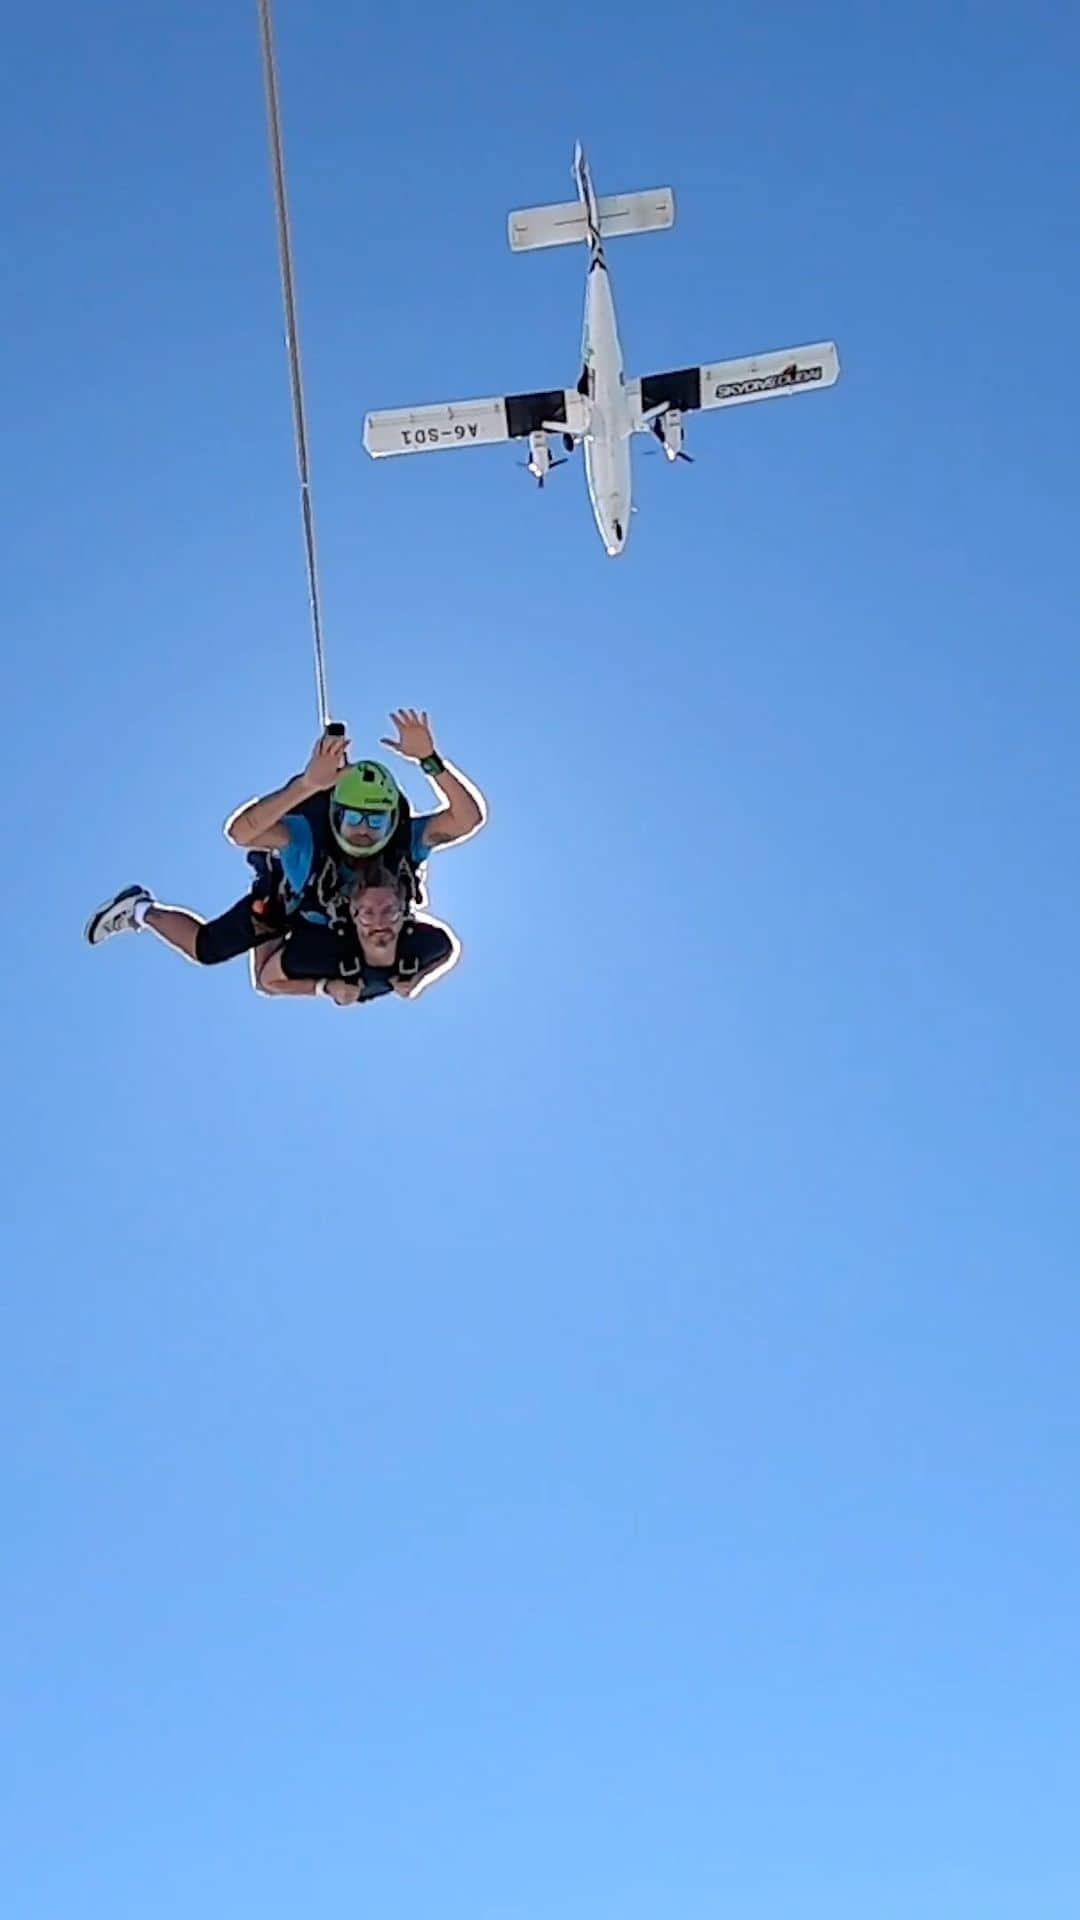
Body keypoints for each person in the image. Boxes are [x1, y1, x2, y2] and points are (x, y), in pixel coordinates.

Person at [85, 709, 485, 974]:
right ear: (335, 815)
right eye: (353, 818)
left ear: (393, 819)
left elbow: (469, 819)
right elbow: (240, 833)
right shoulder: (308, 839)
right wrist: (307, 785)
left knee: (357, 970)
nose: (363, 830)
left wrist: (430, 760)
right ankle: (141, 909)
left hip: (349, 926)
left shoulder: (405, 840)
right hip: (287, 902)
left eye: (376, 821)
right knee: (206, 949)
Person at [253, 863, 460, 1005]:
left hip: (320, 917)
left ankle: (270, 887)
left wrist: (419, 980)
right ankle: (273, 885)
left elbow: (449, 950)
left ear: (403, 914)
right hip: (319, 913)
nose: (379, 923)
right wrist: (324, 987)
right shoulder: (323, 952)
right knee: (263, 980)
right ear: (354, 916)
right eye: (369, 914)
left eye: (389, 912)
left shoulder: (423, 944)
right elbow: (268, 981)